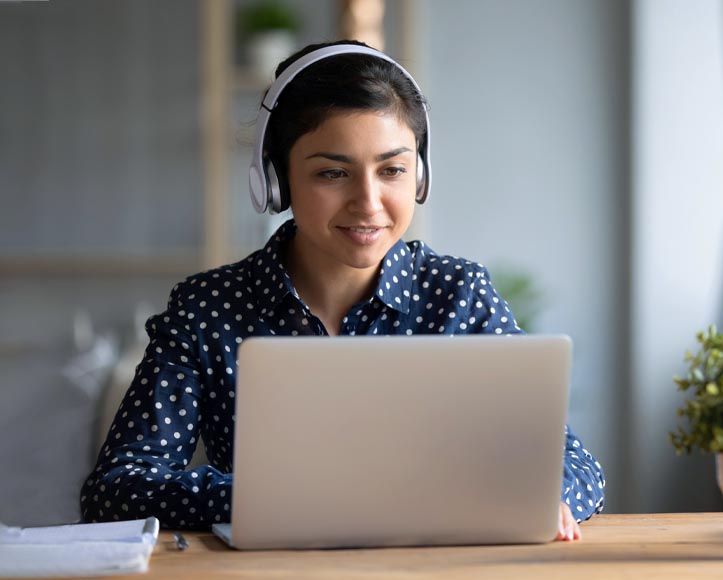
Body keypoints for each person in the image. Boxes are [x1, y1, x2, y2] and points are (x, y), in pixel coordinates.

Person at [80, 40, 605, 542]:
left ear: (419, 176)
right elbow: (116, 489)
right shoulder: (208, 308)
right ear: (275, 180)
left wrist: (543, 495)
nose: (369, 202)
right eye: (333, 172)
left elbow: (577, 467)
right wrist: (272, 499)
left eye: (393, 169)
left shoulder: (459, 294)